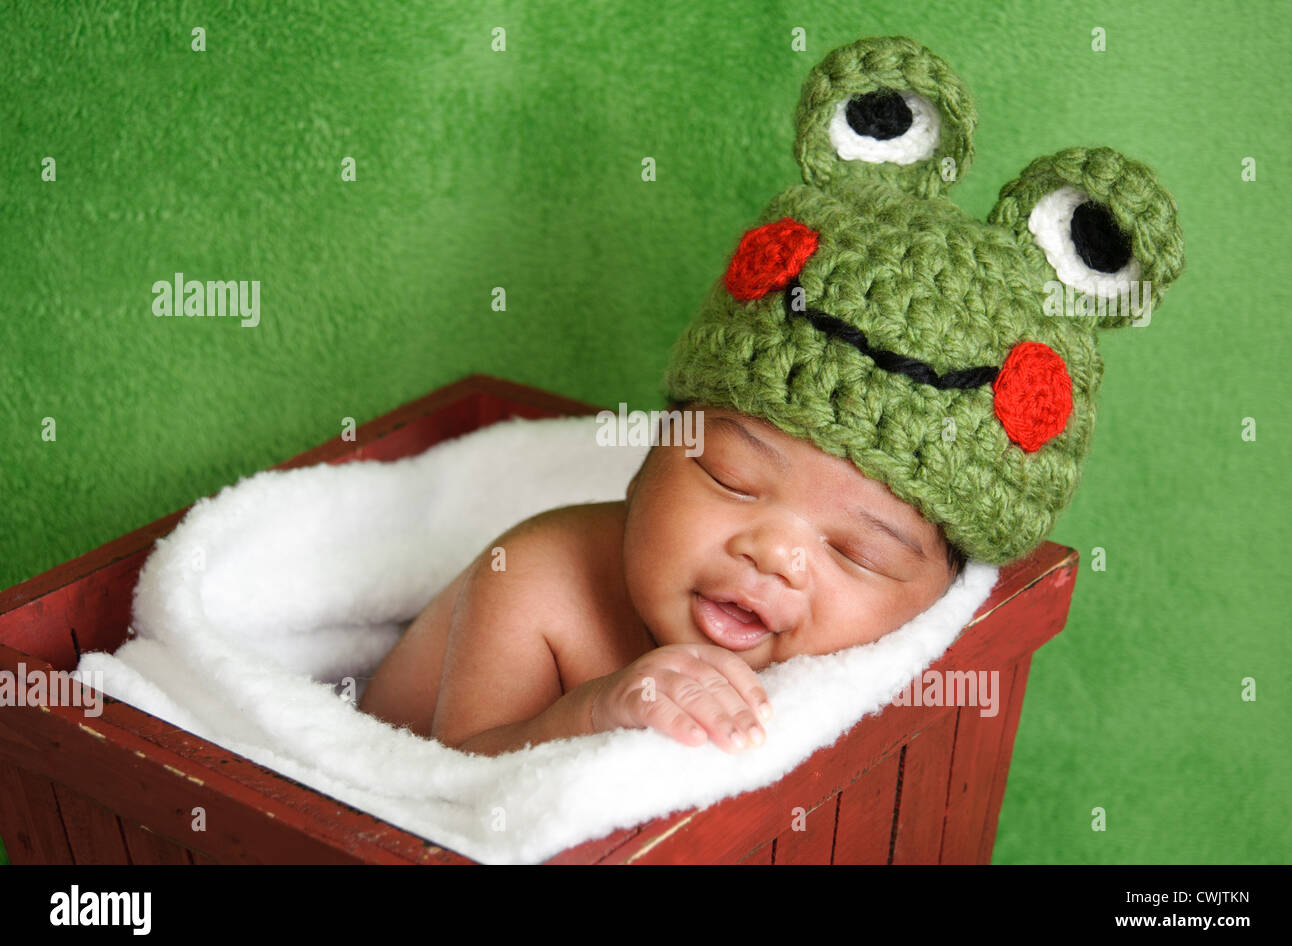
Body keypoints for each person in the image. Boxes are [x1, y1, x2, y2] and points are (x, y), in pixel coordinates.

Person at [359, 33, 1184, 757]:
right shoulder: (537, 581)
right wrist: (596, 709)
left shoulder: (871, 670)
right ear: (653, 450)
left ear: (937, 597)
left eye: (858, 551)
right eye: (728, 476)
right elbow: (455, 792)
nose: (775, 554)